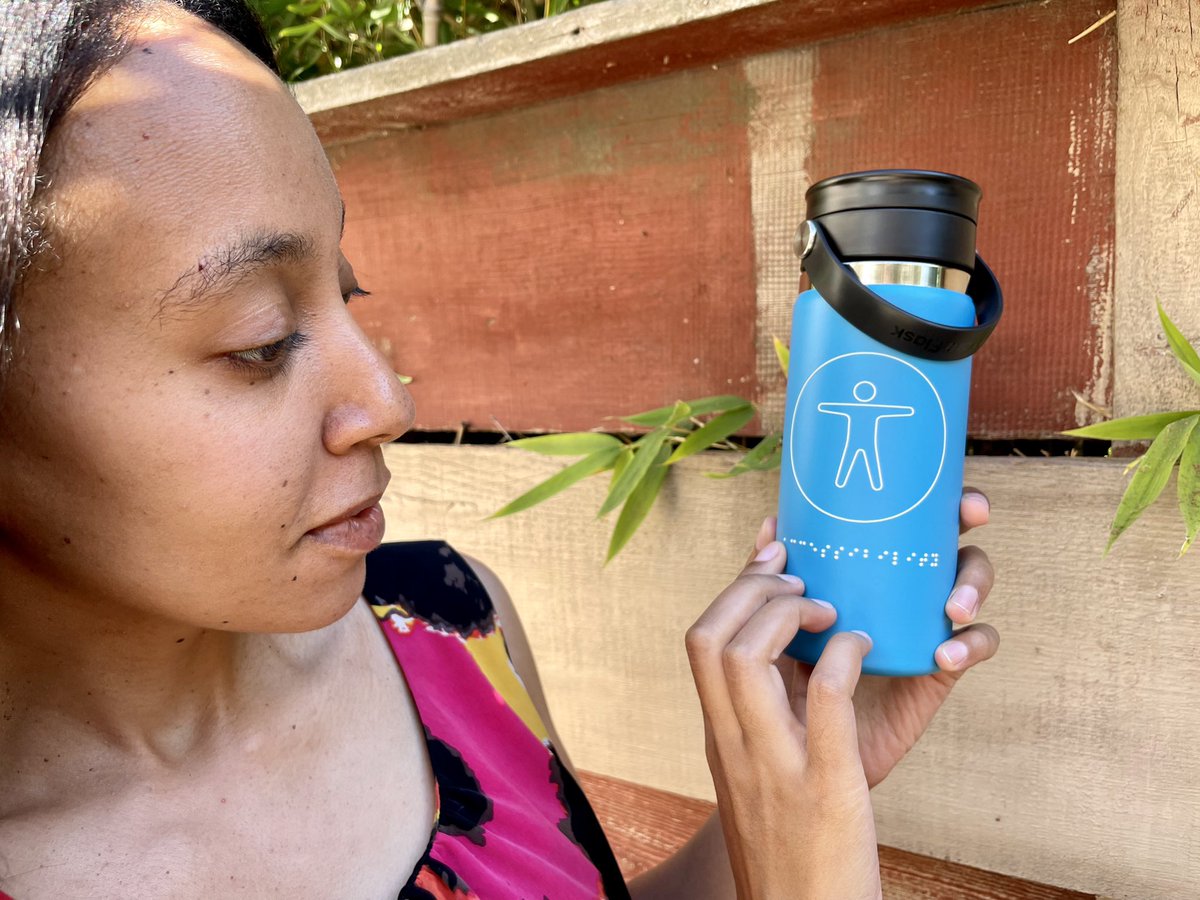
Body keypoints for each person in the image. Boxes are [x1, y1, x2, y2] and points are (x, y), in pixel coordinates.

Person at [0, 2, 999, 897]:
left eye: (347, 292)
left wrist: (777, 805)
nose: (387, 402)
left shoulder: (450, 622)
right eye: (258, 342)